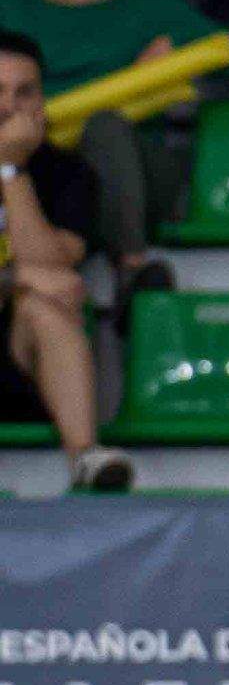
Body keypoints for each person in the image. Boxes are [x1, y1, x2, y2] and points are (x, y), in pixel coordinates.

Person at [0, 0, 229, 285]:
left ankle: (130, 272)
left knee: (104, 125)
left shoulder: (148, 3)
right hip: (39, 174)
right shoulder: (10, 5)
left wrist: (174, 49)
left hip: (136, 171)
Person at [0, 35, 128, 490]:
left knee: (45, 306)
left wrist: (10, 170)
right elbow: (36, 272)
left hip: (19, 360)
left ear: (42, 100)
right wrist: (17, 276)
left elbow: (53, 265)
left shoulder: (67, 172)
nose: (9, 108)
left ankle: (86, 459)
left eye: (24, 93)